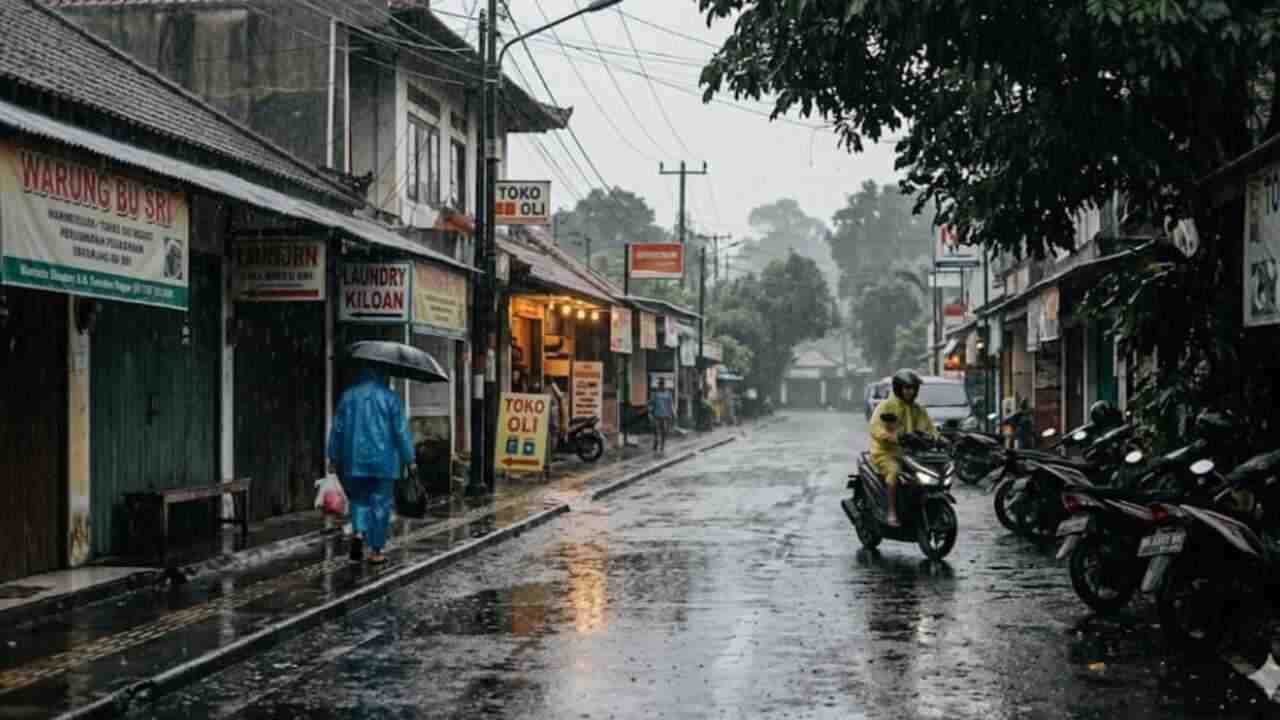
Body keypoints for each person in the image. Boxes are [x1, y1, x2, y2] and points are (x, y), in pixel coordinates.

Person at [327, 366, 416, 564]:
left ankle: (358, 533)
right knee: (380, 505)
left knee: (359, 500)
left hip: (355, 460)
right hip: (384, 463)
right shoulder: (390, 398)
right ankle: (376, 551)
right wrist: (410, 459)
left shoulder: (348, 397)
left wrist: (333, 457)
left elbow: (338, 430)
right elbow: (401, 432)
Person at [868, 369, 937, 527]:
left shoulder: (918, 409)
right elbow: (875, 428)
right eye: (906, 388)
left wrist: (938, 439)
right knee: (894, 471)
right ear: (899, 388)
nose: (910, 391)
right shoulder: (886, 406)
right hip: (886, 453)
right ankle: (891, 512)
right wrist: (890, 436)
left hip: (912, 454)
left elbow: (930, 428)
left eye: (913, 388)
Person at [649, 377, 675, 453]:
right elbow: (651, 403)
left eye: (662, 384)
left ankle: (662, 445)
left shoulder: (668, 394)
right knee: (656, 429)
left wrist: (673, 413)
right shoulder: (655, 394)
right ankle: (656, 440)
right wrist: (650, 412)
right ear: (659, 385)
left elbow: (671, 404)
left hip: (666, 415)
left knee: (664, 431)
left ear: (664, 385)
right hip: (657, 415)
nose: (661, 386)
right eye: (660, 384)